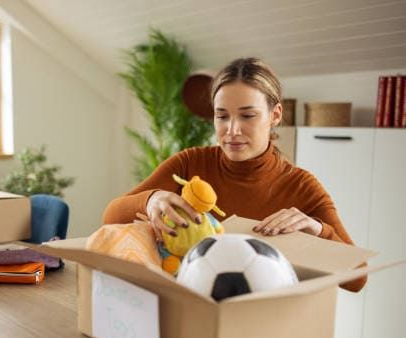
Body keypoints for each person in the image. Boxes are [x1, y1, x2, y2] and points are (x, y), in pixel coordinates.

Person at [102, 57, 365, 292]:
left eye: (248, 116)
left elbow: (357, 279)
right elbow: (110, 218)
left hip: (260, 323)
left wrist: (318, 230)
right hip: (189, 309)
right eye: (222, 116)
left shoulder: (301, 186)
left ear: (275, 115)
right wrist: (150, 200)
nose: (232, 130)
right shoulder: (189, 163)